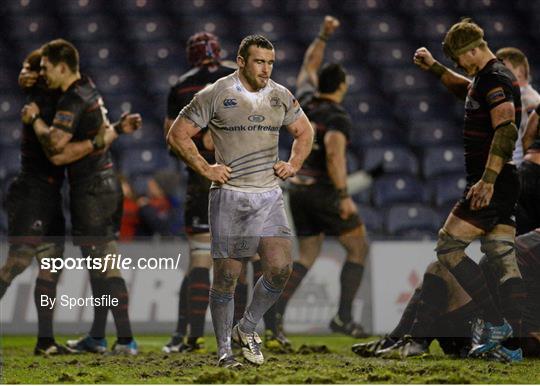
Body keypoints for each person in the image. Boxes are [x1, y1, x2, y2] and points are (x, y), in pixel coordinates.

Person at [167, 34, 314, 367]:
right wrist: (206, 168)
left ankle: (245, 327)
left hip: (268, 195)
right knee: (227, 278)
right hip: (231, 197)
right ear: (241, 61)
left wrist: (293, 164)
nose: (266, 69)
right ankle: (224, 353)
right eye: (259, 61)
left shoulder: (280, 95)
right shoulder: (217, 92)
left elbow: (305, 132)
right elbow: (177, 134)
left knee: (280, 268)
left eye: (270, 62)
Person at [413, 18, 525, 358]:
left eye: (461, 59)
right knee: (502, 255)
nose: (459, 65)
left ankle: (495, 324)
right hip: (503, 181)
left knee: (448, 246)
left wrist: (487, 181)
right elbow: (467, 91)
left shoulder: (496, 78)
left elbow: (506, 130)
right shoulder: (485, 78)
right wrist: (434, 68)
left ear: (475, 49)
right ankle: (511, 346)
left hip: (491, 181)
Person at [21, 39, 142, 355]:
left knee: (106, 263)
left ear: (62, 66)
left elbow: (57, 152)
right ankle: (99, 336)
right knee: (97, 265)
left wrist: (35, 119)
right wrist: (106, 135)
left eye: (46, 68)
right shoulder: (88, 86)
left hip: (91, 190)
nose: (43, 74)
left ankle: (126, 339)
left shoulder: (74, 99)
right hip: (101, 184)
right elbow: (99, 137)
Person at [0, 48, 114, 355]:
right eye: (38, 70)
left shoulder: (65, 95)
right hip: (31, 190)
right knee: (18, 262)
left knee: (51, 266)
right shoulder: (39, 100)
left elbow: (80, 82)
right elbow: (54, 148)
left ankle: (45, 341)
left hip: (52, 192)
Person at [264, 16, 369, 346]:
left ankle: (275, 313)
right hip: (324, 192)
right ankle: (343, 316)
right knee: (357, 245)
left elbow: (310, 62)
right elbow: (335, 155)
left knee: (307, 255)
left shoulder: (306, 100)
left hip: (298, 191)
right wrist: (343, 195)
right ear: (342, 86)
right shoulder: (338, 116)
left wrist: (323, 35)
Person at [352, 230, 540, 362]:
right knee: (440, 271)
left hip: (503, 337)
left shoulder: (528, 250)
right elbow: (495, 262)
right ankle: (405, 340)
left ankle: (409, 341)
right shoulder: (528, 250)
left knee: (439, 271)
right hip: (496, 329)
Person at [162, 32, 236, 353]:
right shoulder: (237, 75)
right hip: (240, 175)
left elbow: (172, 139)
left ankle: (188, 336)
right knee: (241, 261)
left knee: (200, 260)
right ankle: (240, 335)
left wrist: (201, 148)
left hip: (201, 177)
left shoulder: (180, 85)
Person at [495, 48, 540, 236]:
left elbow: (528, 137)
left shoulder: (529, 99)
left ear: (519, 71)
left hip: (524, 176)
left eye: (502, 67)